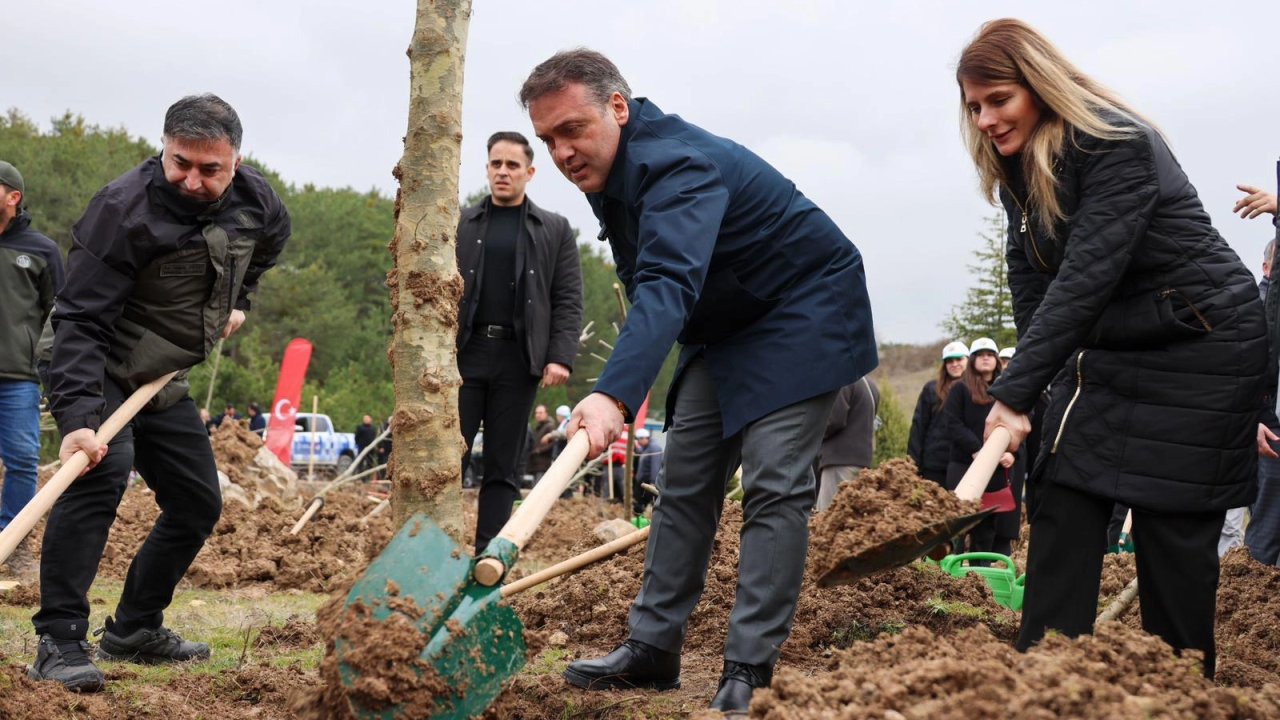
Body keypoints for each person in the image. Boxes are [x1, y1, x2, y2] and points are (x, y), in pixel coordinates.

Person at [520, 49, 876, 713]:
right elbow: (662, 278)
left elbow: (666, 283)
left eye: (573, 130)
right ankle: (653, 649)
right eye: (549, 140)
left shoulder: (677, 163)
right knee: (684, 477)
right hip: (728, 322)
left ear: (618, 109)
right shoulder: (614, 174)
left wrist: (613, 393)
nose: (562, 153)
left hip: (804, 310)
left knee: (774, 482)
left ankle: (749, 668)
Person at [959, 20, 1267, 680]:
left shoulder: (1114, 141)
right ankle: (1043, 687)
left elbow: (1087, 275)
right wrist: (1030, 400)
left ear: (1038, 85)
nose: (984, 119)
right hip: (1112, 353)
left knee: (1171, 539)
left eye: (998, 100)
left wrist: (1011, 391)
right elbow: (1033, 289)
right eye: (973, 106)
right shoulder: (1020, 175)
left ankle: (1179, 692)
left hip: (1201, 349)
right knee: (1061, 497)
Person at [32, 94, 290, 692]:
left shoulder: (259, 202)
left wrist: (238, 301)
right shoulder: (121, 210)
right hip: (93, 361)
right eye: (181, 164)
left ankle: (134, 629)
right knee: (100, 472)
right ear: (165, 148)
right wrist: (77, 419)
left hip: (160, 374)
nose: (193, 180)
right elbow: (81, 319)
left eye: (210, 169)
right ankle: (59, 641)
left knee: (197, 499)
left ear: (237, 161)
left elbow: (265, 249)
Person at [456, 130, 584, 555]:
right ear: (487, 168)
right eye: (496, 163)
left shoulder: (555, 229)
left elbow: (568, 298)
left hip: (519, 359)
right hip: (464, 357)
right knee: (447, 457)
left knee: (502, 465)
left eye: (512, 165)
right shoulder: (460, 225)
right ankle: (439, 551)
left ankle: (485, 557)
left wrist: (560, 356)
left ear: (529, 172)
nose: (503, 172)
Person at [0, 160, 65, 580]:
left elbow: (60, 313)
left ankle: (13, 543)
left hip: (18, 378)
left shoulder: (42, 251)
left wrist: (46, 367)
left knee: (23, 460)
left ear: (12, 196)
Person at [1237, 175, 1280, 565]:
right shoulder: (1260, 306)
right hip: (1274, 428)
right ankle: (1251, 617)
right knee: (1264, 530)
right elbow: (1249, 364)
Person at [943, 338, 1016, 554]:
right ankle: (950, 572)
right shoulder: (960, 389)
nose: (985, 358)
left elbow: (1014, 423)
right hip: (963, 465)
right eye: (981, 354)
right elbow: (953, 423)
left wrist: (1011, 452)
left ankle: (979, 575)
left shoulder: (1006, 390)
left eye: (990, 354)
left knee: (985, 530)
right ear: (973, 359)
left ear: (996, 359)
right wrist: (977, 449)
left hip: (993, 470)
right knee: (958, 522)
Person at [907, 341, 968, 486]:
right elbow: (918, 428)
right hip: (934, 464)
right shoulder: (931, 389)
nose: (954, 364)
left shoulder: (977, 390)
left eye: (959, 359)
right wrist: (912, 464)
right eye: (949, 361)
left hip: (964, 464)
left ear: (968, 360)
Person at [816, 376, 880, 512]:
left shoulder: (844, 380)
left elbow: (834, 420)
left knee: (829, 518)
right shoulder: (870, 385)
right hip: (861, 463)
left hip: (838, 461)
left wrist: (811, 434)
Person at [632, 427, 663, 516]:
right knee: (638, 504)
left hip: (648, 482)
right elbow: (639, 452)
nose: (638, 442)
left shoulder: (654, 448)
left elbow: (655, 466)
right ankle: (638, 520)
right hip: (642, 481)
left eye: (639, 439)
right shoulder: (645, 447)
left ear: (645, 438)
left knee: (646, 503)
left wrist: (653, 482)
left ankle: (644, 522)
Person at [527, 404, 557, 481]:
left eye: (540, 413)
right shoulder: (539, 427)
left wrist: (538, 451)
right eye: (536, 413)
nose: (538, 415)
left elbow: (553, 444)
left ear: (546, 414)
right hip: (535, 464)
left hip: (543, 465)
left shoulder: (550, 426)